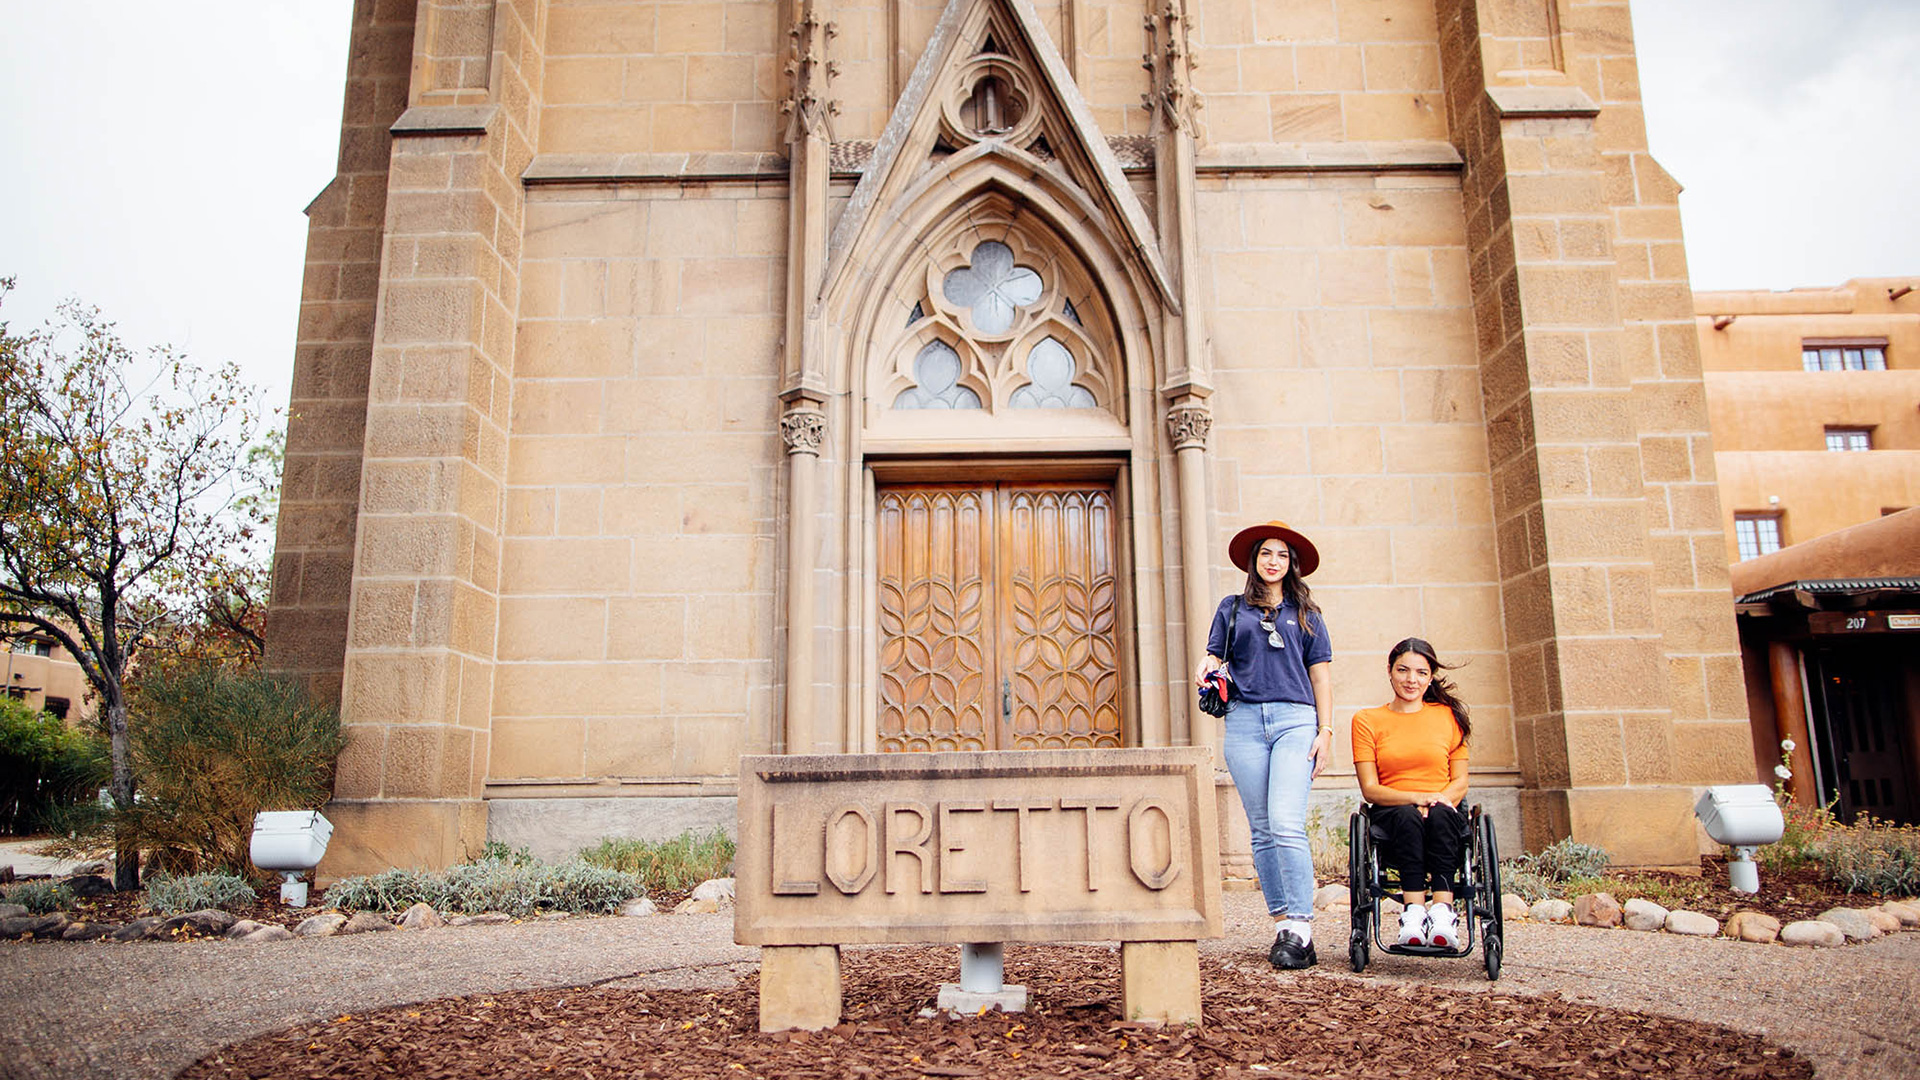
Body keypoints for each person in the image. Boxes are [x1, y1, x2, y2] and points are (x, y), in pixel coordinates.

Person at [1195, 520, 1333, 970]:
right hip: (1245, 721)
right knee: (1261, 828)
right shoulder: (1233, 608)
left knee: (1285, 821)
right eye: (1266, 554)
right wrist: (1207, 663)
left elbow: (1321, 676)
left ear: (1291, 564)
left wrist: (1325, 730)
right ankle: (1282, 926)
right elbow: (1217, 654)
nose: (1273, 561)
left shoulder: (1308, 613)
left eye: (1282, 555)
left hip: (1296, 719)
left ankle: (1301, 924)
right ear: (1254, 561)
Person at [1350, 638, 1472, 948]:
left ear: (1430, 677)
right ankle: (1414, 912)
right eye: (1403, 670)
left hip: (1442, 804)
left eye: (1420, 672)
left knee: (1444, 816)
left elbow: (1460, 782)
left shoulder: (1448, 717)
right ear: (1389, 672)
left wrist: (1437, 799)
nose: (1411, 680)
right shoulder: (1367, 720)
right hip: (1392, 810)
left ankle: (1443, 912)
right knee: (1407, 817)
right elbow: (1371, 788)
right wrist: (1416, 797)